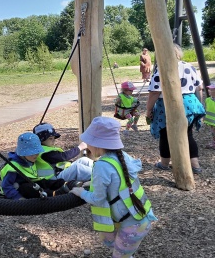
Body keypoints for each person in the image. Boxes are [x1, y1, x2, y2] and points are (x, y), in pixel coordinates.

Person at [70, 116, 157, 258]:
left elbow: (98, 199)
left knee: (120, 256)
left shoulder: (101, 165)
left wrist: (81, 193)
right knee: (115, 246)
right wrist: (93, 184)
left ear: (97, 144)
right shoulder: (121, 156)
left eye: (88, 142)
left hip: (132, 223)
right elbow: (116, 182)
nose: (87, 145)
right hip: (139, 217)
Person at [146, 43, 206, 174]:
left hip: (168, 105)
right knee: (188, 133)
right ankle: (195, 165)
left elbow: (155, 92)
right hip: (190, 103)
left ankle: (164, 163)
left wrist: (149, 109)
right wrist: (199, 104)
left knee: (165, 134)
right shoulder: (189, 66)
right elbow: (199, 88)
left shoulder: (161, 68)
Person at [0, 132, 81, 200]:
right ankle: (54, 194)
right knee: (29, 188)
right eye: (32, 153)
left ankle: (68, 184)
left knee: (47, 182)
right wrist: (19, 199)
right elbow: (6, 187)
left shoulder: (29, 159)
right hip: (21, 189)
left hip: (34, 182)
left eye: (37, 152)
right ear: (23, 153)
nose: (36, 155)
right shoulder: (12, 168)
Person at [204, 83, 215, 149]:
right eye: (209, 89)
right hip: (211, 121)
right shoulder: (207, 100)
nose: (209, 91)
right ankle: (214, 142)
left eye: (211, 90)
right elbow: (206, 109)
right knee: (213, 132)